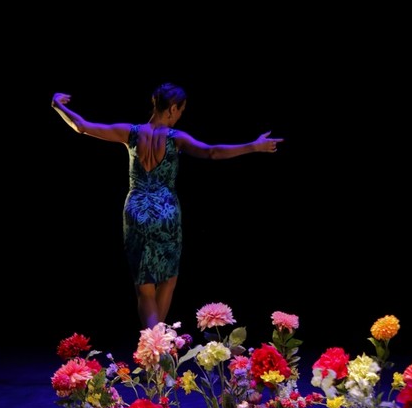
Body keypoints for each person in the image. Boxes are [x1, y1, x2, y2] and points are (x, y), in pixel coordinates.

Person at [51, 83, 283, 329]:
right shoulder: (176, 138)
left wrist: (58, 106)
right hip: (166, 212)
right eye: (181, 110)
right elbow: (212, 152)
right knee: (168, 280)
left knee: (144, 289)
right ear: (172, 108)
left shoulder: (130, 133)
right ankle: (155, 344)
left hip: (136, 211)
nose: (180, 115)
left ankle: (154, 344)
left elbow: (82, 126)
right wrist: (253, 146)